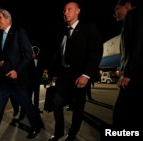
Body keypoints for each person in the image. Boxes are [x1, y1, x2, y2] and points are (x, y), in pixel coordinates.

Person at [0, 8, 42, 141]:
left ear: (8, 19)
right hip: (2, 81)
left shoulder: (19, 32)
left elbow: (28, 55)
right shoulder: (0, 37)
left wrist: (17, 71)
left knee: (27, 107)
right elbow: (1, 57)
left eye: (0, 18)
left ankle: (36, 126)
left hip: (17, 81)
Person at [48, 1, 103, 141]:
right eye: (64, 10)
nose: (65, 12)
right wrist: (54, 73)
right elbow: (59, 54)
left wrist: (86, 74)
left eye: (69, 9)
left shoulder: (88, 28)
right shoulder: (63, 32)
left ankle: (72, 134)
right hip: (63, 77)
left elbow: (95, 52)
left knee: (77, 109)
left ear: (78, 11)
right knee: (56, 104)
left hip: (80, 77)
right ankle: (59, 131)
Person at [113, 0, 142, 132]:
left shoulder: (133, 15)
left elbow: (137, 46)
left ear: (128, 5)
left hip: (133, 76)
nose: (115, 12)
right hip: (133, 73)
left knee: (120, 114)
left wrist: (128, 73)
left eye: (118, 8)